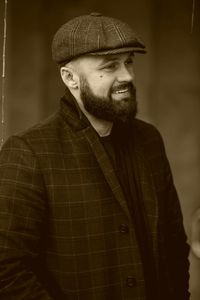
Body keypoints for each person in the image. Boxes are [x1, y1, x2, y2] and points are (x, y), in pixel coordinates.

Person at [0, 12, 190, 300]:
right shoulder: (28, 153)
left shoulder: (150, 140)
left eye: (128, 62)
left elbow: (174, 245)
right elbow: (7, 270)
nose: (127, 76)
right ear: (70, 78)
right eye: (110, 66)